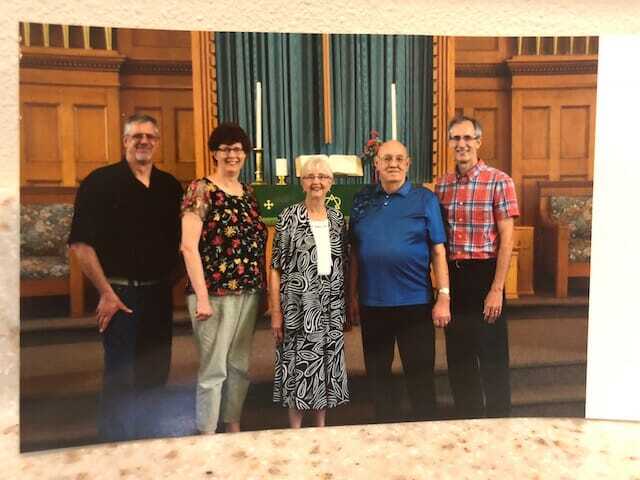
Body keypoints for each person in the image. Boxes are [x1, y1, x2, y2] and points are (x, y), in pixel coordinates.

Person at [68, 113, 183, 442]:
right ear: (125, 142)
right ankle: (113, 447)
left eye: (150, 136)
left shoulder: (169, 186)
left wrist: (167, 284)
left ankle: (148, 442)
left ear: (158, 143)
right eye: (136, 136)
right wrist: (106, 293)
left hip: (158, 295)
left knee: (156, 371)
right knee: (120, 375)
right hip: (118, 294)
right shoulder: (99, 182)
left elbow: (181, 243)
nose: (143, 141)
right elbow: (81, 244)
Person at [349, 140, 451, 423]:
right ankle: (384, 432)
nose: (393, 163)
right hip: (373, 304)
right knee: (378, 376)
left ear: (408, 163)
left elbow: (438, 251)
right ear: (376, 164)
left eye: (399, 159)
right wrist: (351, 296)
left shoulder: (425, 200)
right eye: (387, 158)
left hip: (414, 304)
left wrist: (444, 296)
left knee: (420, 377)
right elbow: (355, 252)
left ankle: (424, 434)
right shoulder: (362, 200)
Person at [180, 123, 267, 434]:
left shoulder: (248, 193)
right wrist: (201, 296)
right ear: (214, 153)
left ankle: (232, 428)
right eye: (226, 149)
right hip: (214, 294)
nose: (233, 154)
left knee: (239, 367)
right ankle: (206, 434)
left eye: (238, 149)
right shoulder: (201, 189)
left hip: (248, 292)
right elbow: (188, 246)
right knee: (213, 369)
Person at [435, 115, 520, 419]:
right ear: (449, 144)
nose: (461, 144)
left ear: (478, 142)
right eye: (455, 138)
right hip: (454, 277)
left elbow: (508, 240)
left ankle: (499, 424)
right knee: (459, 358)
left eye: (467, 138)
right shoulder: (442, 185)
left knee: (492, 356)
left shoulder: (499, 180)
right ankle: (467, 421)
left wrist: (497, 289)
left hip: (486, 275)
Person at [270, 156, 349, 428]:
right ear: (302, 182)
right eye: (310, 176)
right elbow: (275, 267)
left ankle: (321, 427)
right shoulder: (288, 218)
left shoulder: (338, 219)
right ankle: (295, 429)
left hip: (330, 302)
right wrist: (276, 312)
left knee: (325, 362)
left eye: (322, 176)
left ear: (331, 182)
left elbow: (342, 263)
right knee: (299, 364)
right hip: (298, 304)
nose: (317, 181)